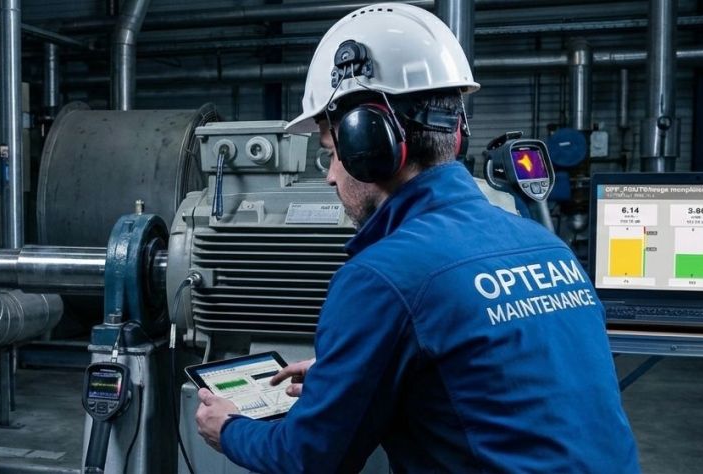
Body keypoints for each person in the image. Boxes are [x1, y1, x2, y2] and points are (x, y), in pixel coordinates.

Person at [192, 4, 641, 473]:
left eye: (330, 153)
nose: (329, 177)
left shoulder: (382, 277)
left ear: (367, 144)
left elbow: (309, 458)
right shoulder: (548, 246)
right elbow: (505, 385)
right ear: (457, 133)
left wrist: (228, 428)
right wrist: (347, 378)